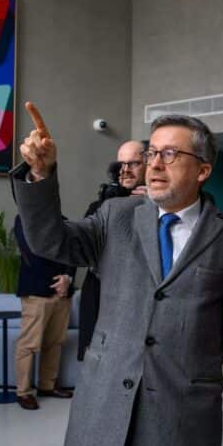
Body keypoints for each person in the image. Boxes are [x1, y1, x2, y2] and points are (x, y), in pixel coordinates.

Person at [13, 103, 223, 446]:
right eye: (152, 154)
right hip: (114, 412)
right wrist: (40, 175)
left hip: (182, 419)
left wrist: (182, 363)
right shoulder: (118, 217)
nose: (155, 164)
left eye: (170, 154)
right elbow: (52, 241)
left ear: (203, 169)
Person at [78, 140, 148, 360]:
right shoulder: (99, 206)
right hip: (101, 291)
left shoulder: (161, 204)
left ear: (148, 163)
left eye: (133, 164)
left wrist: (155, 205)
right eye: (120, 164)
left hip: (140, 295)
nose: (125, 170)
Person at [12, 214, 75, 410]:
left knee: (55, 342)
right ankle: (23, 392)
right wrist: (56, 280)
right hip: (37, 291)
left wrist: (67, 277)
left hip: (63, 292)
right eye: (36, 180)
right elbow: (34, 252)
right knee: (29, 344)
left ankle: (47, 386)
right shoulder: (24, 218)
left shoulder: (63, 219)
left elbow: (74, 251)